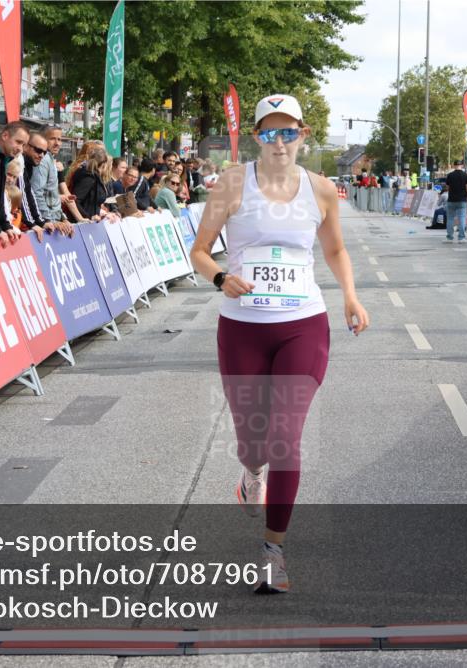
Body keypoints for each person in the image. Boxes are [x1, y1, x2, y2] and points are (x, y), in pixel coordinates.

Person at [188, 94, 369, 595]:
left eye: (289, 132)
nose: (280, 142)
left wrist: (351, 297)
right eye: (270, 133)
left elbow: (333, 248)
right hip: (242, 327)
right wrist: (221, 276)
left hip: (302, 325)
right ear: (257, 138)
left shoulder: (323, 190)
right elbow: (199, 251)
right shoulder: (231, 184)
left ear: (303, 135)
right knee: (253, 440)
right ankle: (251, 473)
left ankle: (273, 552)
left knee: (286, 438)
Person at [21, 132, 70, 239]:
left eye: (44, 152)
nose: (42, 155)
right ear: (25, 146)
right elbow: (33, 194)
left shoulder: (44, 161)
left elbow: (52, 195)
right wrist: (40, 222)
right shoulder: (23, 163)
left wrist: (63, 218)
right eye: (38, 150)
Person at [71, 146, 113, 219]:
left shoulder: (93, 176)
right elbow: (75, 200)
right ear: (104, 164)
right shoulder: (89, 178)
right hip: (85, 222)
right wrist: (87, 217)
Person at [443, 159, 467, 243]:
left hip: (451, 200)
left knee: (450, 219)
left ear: (454, 166)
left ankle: (449, 238)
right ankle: (461, 238)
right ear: (462, 166)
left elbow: (448, 188)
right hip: (462, 200)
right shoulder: (465, 175)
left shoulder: (450, 175)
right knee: (462, 218)